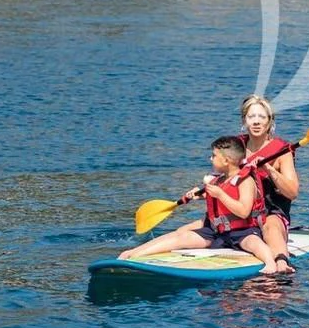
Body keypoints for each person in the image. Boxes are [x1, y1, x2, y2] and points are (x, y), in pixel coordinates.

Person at [118, 136, 279, 273]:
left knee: (255, 244)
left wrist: (220, 195)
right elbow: (218, 196)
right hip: (215, 231)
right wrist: (200, 195)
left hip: (242, 231)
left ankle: (270, 263)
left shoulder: (246, 181)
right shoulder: (219, 179)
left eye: (213, 155)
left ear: (226, 160)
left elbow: (244, 212)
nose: (210, 158)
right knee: (180, 236)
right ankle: (134, 253)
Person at [237, 95, 299, 273]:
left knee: (270, 224)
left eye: (262, 117)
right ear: (244, 120)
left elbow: (292, 192)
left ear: (270, 122)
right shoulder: (235, 147)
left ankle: (281, 263)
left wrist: (269, 169)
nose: (256, 122)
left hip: (271, 212)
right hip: (240, 212)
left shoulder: (282, 152)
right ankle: (151, 253)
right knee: (197, 226)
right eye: (251, 117)